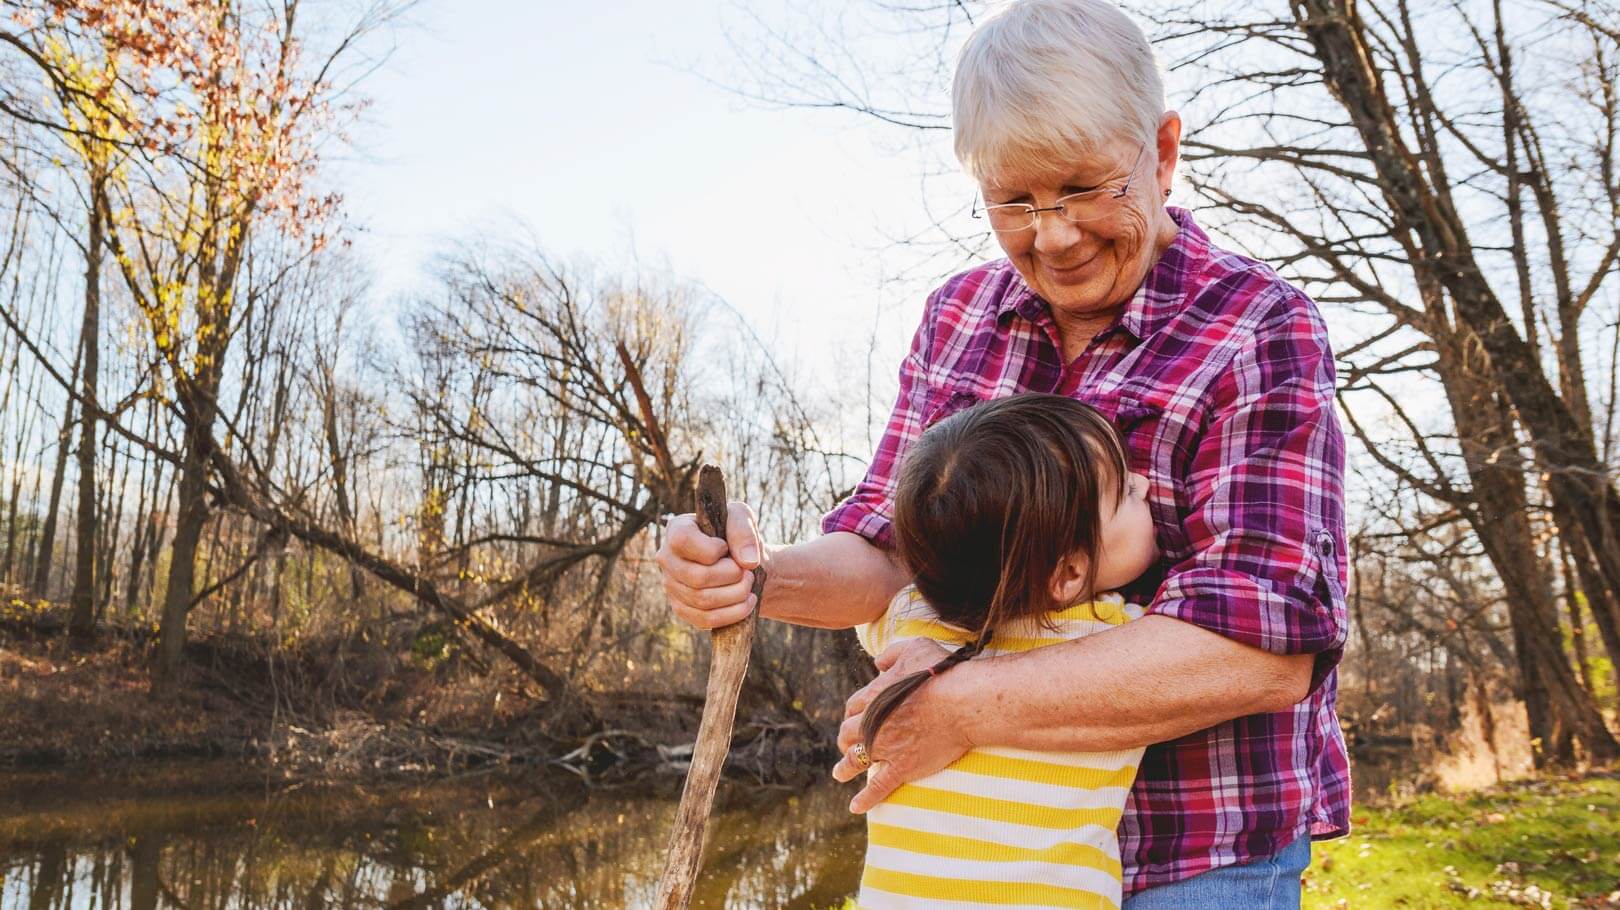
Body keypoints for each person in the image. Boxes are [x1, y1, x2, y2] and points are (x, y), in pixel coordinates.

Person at [657, 0, 1349, 905]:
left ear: (1165, 151)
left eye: (1086, 188)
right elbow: (891, 551)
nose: (1052, 235)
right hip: (988, 863)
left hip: (1198, 856)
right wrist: (754, 578)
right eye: (1015, 200)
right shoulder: (958, 319)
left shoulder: (1259, 326)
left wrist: (969, 702)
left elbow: (1266, 648)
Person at [852, 393, 1158, 909]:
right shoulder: (1120, 637)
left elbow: (875, 609)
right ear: (1070, 573)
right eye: (1126, 491)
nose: (1146, 483)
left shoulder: (908, 620)